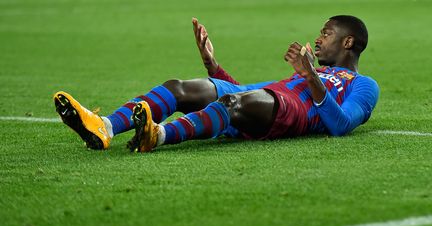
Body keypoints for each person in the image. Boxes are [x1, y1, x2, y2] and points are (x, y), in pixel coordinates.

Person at [54, 15, 379, 152]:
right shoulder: (306, 73)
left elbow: (341, 125)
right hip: (271, 98)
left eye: (326, 33)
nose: (318, 39)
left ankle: (159, 135)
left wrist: (310, 76)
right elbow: (250, 91)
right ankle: (105, 127)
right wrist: (213, 65)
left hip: (295, 112)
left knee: (234, 104)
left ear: (348, 42)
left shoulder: (363, 84)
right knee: (182, 87)